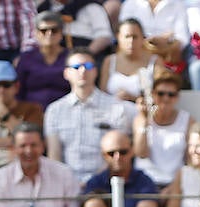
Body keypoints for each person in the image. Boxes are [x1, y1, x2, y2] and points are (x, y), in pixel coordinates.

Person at [43, 50, 135, 184]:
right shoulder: (54, 110)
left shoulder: (116, 107)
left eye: (88, 66)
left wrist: (93, 183)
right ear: (66, 73)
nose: (82, 71)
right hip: (66, 184)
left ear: (96, 72)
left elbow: (118, 154)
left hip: (105, 183)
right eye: (76, 67)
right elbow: (54, 155)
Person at [131, 66, 188, 186]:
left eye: (171, 94)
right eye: (160, 94)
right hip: (145, 185)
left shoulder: (187, 120)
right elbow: (141, 153)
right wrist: (145, 120)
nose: (166, 99)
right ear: (152, 94)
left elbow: (189, 161)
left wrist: (174, 187)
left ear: (177, 97)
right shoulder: (140, 119)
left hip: (174, 185)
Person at [15, 8, 69, 111]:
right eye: (43, 31)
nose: (49, 34)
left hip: (65, 112)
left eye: (54, 30)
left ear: (61, 33)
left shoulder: (71, 57)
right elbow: (18, 90)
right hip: (32, 114)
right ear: (36, 34)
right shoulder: (26, 58)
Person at [119, 0, 190, 74]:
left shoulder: (178, 5)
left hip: (167, 61)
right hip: (137, 58)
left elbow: (182, 39)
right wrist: (149, 42)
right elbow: (124, 35)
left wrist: (167, 41)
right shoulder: (130, 4)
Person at [101, 17, 156, 102]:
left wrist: (135, 99)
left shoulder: (155, 61)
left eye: (135, 37)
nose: (131, 41)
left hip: (144, 113)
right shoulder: (109, 61)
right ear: (118, 37)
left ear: (142, 38)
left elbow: (161, 97)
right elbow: (102, 95)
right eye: (127, 36)